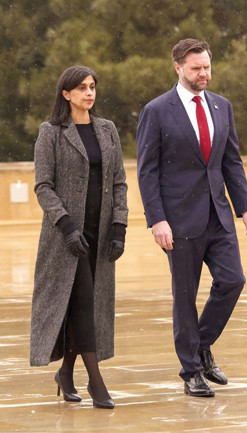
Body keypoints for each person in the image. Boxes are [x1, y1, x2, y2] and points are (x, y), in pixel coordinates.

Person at [136, 38, 247, 398]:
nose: (203, 73)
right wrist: (157, 219)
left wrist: (246, 208)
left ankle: (200, 346)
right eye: (196, 68)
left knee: (233, 281)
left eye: (206, 66)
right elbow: (147, 171)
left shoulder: (222, 106)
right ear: (178, 67)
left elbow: (231, 161)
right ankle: (191, 371)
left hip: (218, 216)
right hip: (178, 221)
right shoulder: (157, 111)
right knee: (185, 295)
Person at [31, 66, 128, 409]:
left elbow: (118, 181)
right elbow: (43, 186)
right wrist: (66, 226)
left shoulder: (107, 130)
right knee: (85, 304)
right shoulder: (51, 132)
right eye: (82, 88)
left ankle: (65, 373)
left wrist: (119, 225)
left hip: (99, 235)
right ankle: (96, 381)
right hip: (65, 238)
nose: (89, 93)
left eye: (92, 87)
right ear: (66, 94)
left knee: (83, 307)